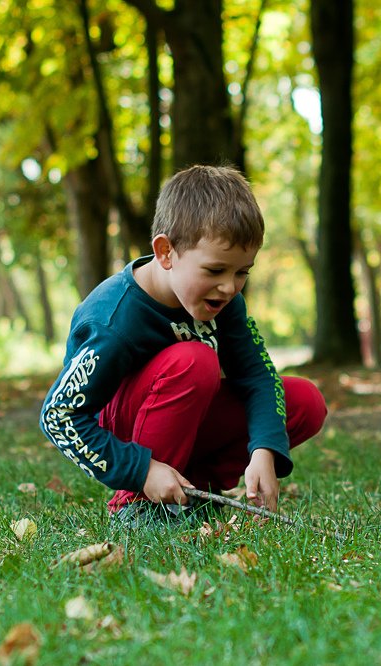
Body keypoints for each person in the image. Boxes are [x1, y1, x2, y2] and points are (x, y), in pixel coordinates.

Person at [39, 165, 327, 526]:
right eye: (215, 270)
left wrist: (264, 449)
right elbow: (59, 415)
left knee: (304, 402)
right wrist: (141, 471)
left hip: (187, 413)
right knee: (195, 361)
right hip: (126, 432)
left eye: (242, 272)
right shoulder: (112, 320)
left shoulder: (224, 301)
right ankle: (142, 505)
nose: (229, 287)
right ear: (165, 252)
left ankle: (194, 494)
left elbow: (257, 375)